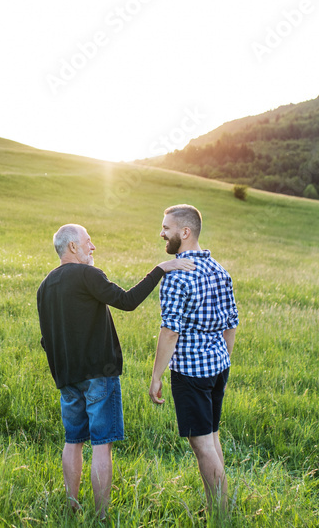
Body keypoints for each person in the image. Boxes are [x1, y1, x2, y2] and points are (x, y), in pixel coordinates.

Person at [37, 223, 194, 520]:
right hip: (99, 374)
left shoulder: (45, 286)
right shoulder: (87, 274)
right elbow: (127, 301)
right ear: (73, 247)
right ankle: (101, 515)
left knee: (73, 441)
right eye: (88, 242)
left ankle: (72, 505)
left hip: (67, 378)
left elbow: (47, 339)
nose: (92, 247)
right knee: (101, 444)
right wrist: (160, 269)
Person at [149, 204, 239, 518]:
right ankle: (220, 505)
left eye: (166, 228)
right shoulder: (219, 269)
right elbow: (231, 323)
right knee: (211, 436)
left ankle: (219, 515)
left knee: (201, 444)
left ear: (185, 233)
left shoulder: (177, 275)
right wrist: (222, 359)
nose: (161, 233)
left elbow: (170, 331)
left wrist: (156, 375)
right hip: (217, 367)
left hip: (190, 372)